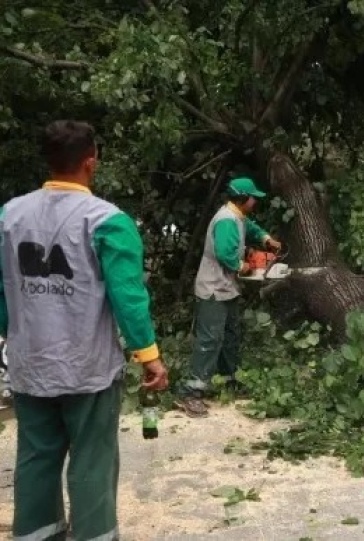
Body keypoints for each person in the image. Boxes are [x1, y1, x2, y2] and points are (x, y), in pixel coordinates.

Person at [0, 120, 168, 541]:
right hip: (87, 370)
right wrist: (149, 356)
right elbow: (128, 297)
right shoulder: (106, 221)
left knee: (36, 458)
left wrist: (13, 333)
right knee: (92, 461)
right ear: (91, 162)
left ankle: (36, 535)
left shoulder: (9, 215)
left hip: (30, 366)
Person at [175, 177, 280, 417]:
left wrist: (266, 239)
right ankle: (190, 392)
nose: (255, 201)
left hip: (228, 287)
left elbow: (250, 228)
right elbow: (224, 253)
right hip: (213, 287)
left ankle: (228, 379)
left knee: (231, 334)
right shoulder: (225, 220)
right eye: (253, 197)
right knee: (210, 339)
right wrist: (243, 266)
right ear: (243, 198)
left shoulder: (238, 217)